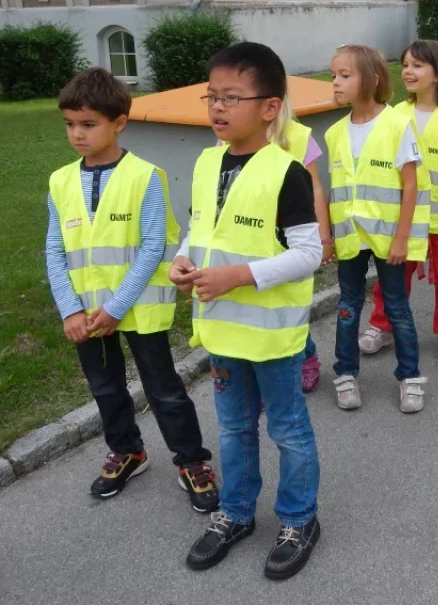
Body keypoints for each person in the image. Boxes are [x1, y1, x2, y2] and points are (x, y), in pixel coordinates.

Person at [170, 43, 322, 579]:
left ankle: (299, 519)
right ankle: (234, 514)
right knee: (233, 431)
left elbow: (309, 253)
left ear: (269, 107)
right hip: (223, 332)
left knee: (288, 432)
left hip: (273, 336)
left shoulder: (287, 172)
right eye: (211, 96)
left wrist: (239, 275)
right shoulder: (208, 160)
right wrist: (182, 260)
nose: (216, 107)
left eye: (231, 97)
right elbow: (202, 229)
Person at [46, 67, 218, 510]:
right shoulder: (60, 181)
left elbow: (152, 248)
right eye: (69, 124)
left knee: (163, 388)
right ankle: (128, 452)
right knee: (105, 388)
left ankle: (191, 460)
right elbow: (54, 250)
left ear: (119, 122)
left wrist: (117, 307)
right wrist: (69, 309)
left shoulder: (147, 176)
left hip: (137, 310)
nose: (77, 134)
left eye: (88, 124)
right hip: (86, 313)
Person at [358, 40, 438, 365]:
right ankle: (382, 326)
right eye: (406, 64)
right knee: (393, 276)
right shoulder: (397, 114)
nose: (408, 71)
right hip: (404, 220)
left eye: (417, 65)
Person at [326, 45, 431, 413]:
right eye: (333, 75)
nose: (335, 83)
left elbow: (411, 185)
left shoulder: (397, 125)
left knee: (398, 308)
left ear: (371, 79)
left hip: (389, 238)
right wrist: (333, 236)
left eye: (344, 75)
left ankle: (409, 376)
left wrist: (402, 236)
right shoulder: (335, 132)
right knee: (348, 306)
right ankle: (345, 374)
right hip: (351, 237)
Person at [269, 100, 334, 393]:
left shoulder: (299, 135)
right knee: (258, 308)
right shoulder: (229, 134)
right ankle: (262, 374)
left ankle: (305, 354)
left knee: (290, 303)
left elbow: (316, 186)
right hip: (251, 233)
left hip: (292, 232)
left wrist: (324, 237)